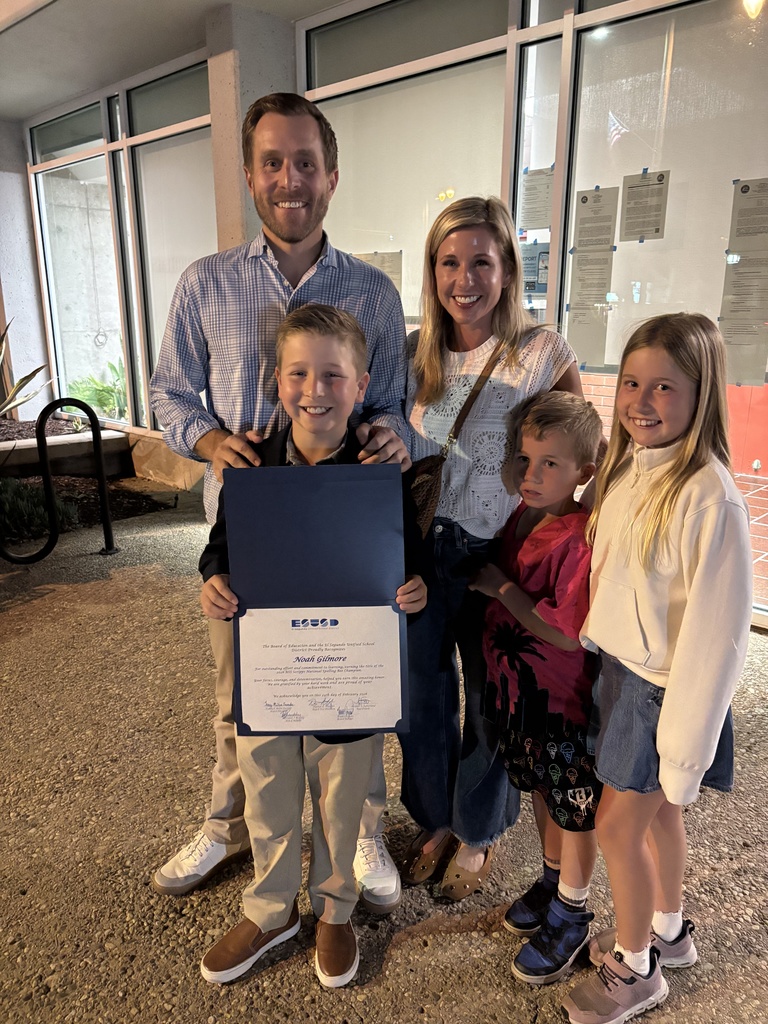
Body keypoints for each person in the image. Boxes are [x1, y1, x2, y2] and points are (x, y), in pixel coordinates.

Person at [149, 93, 408, 914]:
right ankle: (229, 825)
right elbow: (167, 392)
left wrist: (395, 433)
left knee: (352, 689)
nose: (289, 179)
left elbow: (395, 400)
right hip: (248, 535)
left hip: (347, 532)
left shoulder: (373, 291)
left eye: (305, 163)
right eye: (272, 162)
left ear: (332, 176)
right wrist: (203, 439)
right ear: (251, 174)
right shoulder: (205, 283)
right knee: (242, 696)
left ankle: (359, 831)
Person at [196, 305, 426, 988]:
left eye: (333, 374)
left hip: (348, 665)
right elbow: (220, 548)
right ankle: (271, 909)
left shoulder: (377, 466)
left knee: (341, 787)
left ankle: (333, 907)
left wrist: (417, 586)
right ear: (276, 380)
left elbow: (408, 556)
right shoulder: (252, 465)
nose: (315, 389)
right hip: (271, 662)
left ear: (361, 386)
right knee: (266, 778)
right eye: (299, 372)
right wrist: (214, 579)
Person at [561, 313, 752, 1024]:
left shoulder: (711, 496)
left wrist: (684, 748)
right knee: (657, 817)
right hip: (624, 673)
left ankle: (635, 966)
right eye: (632, 382)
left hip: (665, 693)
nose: (641, 399)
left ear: (701, 394)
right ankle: (668, 931)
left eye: (664, 386)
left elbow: (718, 637)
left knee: (617, 827)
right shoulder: (630, 471)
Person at [400, 195, 584, 900]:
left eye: (482, 260)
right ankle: (435, 817)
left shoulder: (540, 350)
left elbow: (580, 445)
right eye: (450, 261)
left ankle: (478, 827)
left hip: (492, 552)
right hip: (418, 550)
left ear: (508, 266)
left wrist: (558, 530)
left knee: (487, 697)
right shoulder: (415, 351)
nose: (464, 278)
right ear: (433, 269)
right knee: (419, 695)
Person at [469, 390, 603, 985]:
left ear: (585, 471)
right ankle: (552, 881)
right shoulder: (520, 516)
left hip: (559, 705)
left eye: (551, 463)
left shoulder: (576, 537)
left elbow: (568, 633)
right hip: (519, 697)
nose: (532, 474)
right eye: (526, 459)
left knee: (574, 808)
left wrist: (503, 591)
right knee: (542, 794)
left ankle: (573, 911)